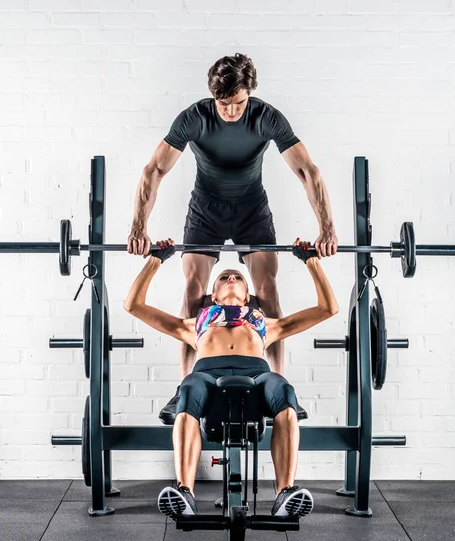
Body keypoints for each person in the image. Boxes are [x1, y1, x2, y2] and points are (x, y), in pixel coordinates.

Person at [127, 53, 338, 418]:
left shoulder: (266, 116)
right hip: (205, 210)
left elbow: (308, 171)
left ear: (250, 93)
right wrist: (138, 227)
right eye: (223, 104)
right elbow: (153, 170)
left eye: (238, 102)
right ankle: (183, 389)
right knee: (193, 290)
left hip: (251, 210)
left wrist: (327, 228)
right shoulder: (195, 118)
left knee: (268, 290)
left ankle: (278, 385)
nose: (230, 111)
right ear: (213, 97)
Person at [124, 239, 339, 519]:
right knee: (188, 388)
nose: (231, 278)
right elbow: (133, 305)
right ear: (213, 296)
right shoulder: (195, 324)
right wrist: (156, 260)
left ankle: (285, 493)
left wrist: (311, 261)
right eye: (224, 277)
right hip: (207, 375)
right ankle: (184, 492)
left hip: (257, 374)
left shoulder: (265, 323)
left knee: (284, 390)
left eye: (237, 277)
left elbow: (328, 309)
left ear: (248, 296)